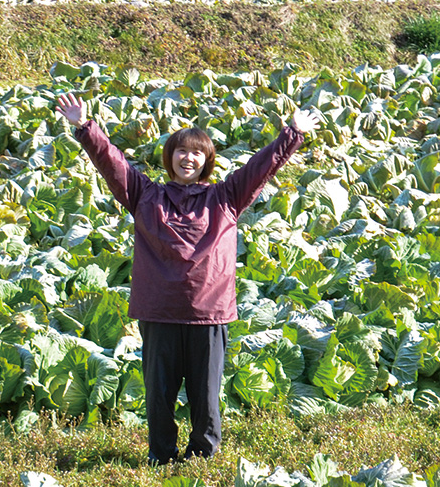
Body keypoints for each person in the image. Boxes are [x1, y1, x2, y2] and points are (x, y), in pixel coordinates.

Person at [55, 90, 321, 465]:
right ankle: (160, 457)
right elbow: (112, 163)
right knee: (158, 393)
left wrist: (291, 134)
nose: (187, 157)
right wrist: (84, 127)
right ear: (170, 158)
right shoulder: (145, 196)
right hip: (160, 311)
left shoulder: (226, 198)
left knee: (206, 393)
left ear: (207, 160)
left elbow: (261, 169)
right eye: (181, 151)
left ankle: (202, 457)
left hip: (207, 312)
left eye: (196, 152)